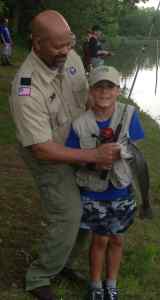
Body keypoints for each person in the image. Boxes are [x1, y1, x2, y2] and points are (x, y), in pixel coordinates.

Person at [9, 10, 120, 300]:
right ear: (37, 45)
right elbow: (41, 148)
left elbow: (84, 97)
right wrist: (93, 157)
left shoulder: (70, 58)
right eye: (58, 47)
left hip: (80, 144)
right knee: (69, 213)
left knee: (89, 203)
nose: (67, 51)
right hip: (47, 153)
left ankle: (63, 263)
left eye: (69, 43)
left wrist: (104, 112)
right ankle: (39, 277)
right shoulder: (25, 88)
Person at [66, 65, 145, 300]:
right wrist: (93, 162)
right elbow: (72, 156)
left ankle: (111, 283)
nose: (104, 92)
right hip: (94, 194)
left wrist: (123, 155)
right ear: (91, 91)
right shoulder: (79, 123)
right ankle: (95, 285)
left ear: (118, 91)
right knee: (99, 239)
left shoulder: (130, 115)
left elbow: (139, 152)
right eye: (99, 87)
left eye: (109, 87)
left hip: (122, 191)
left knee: (118, 239)